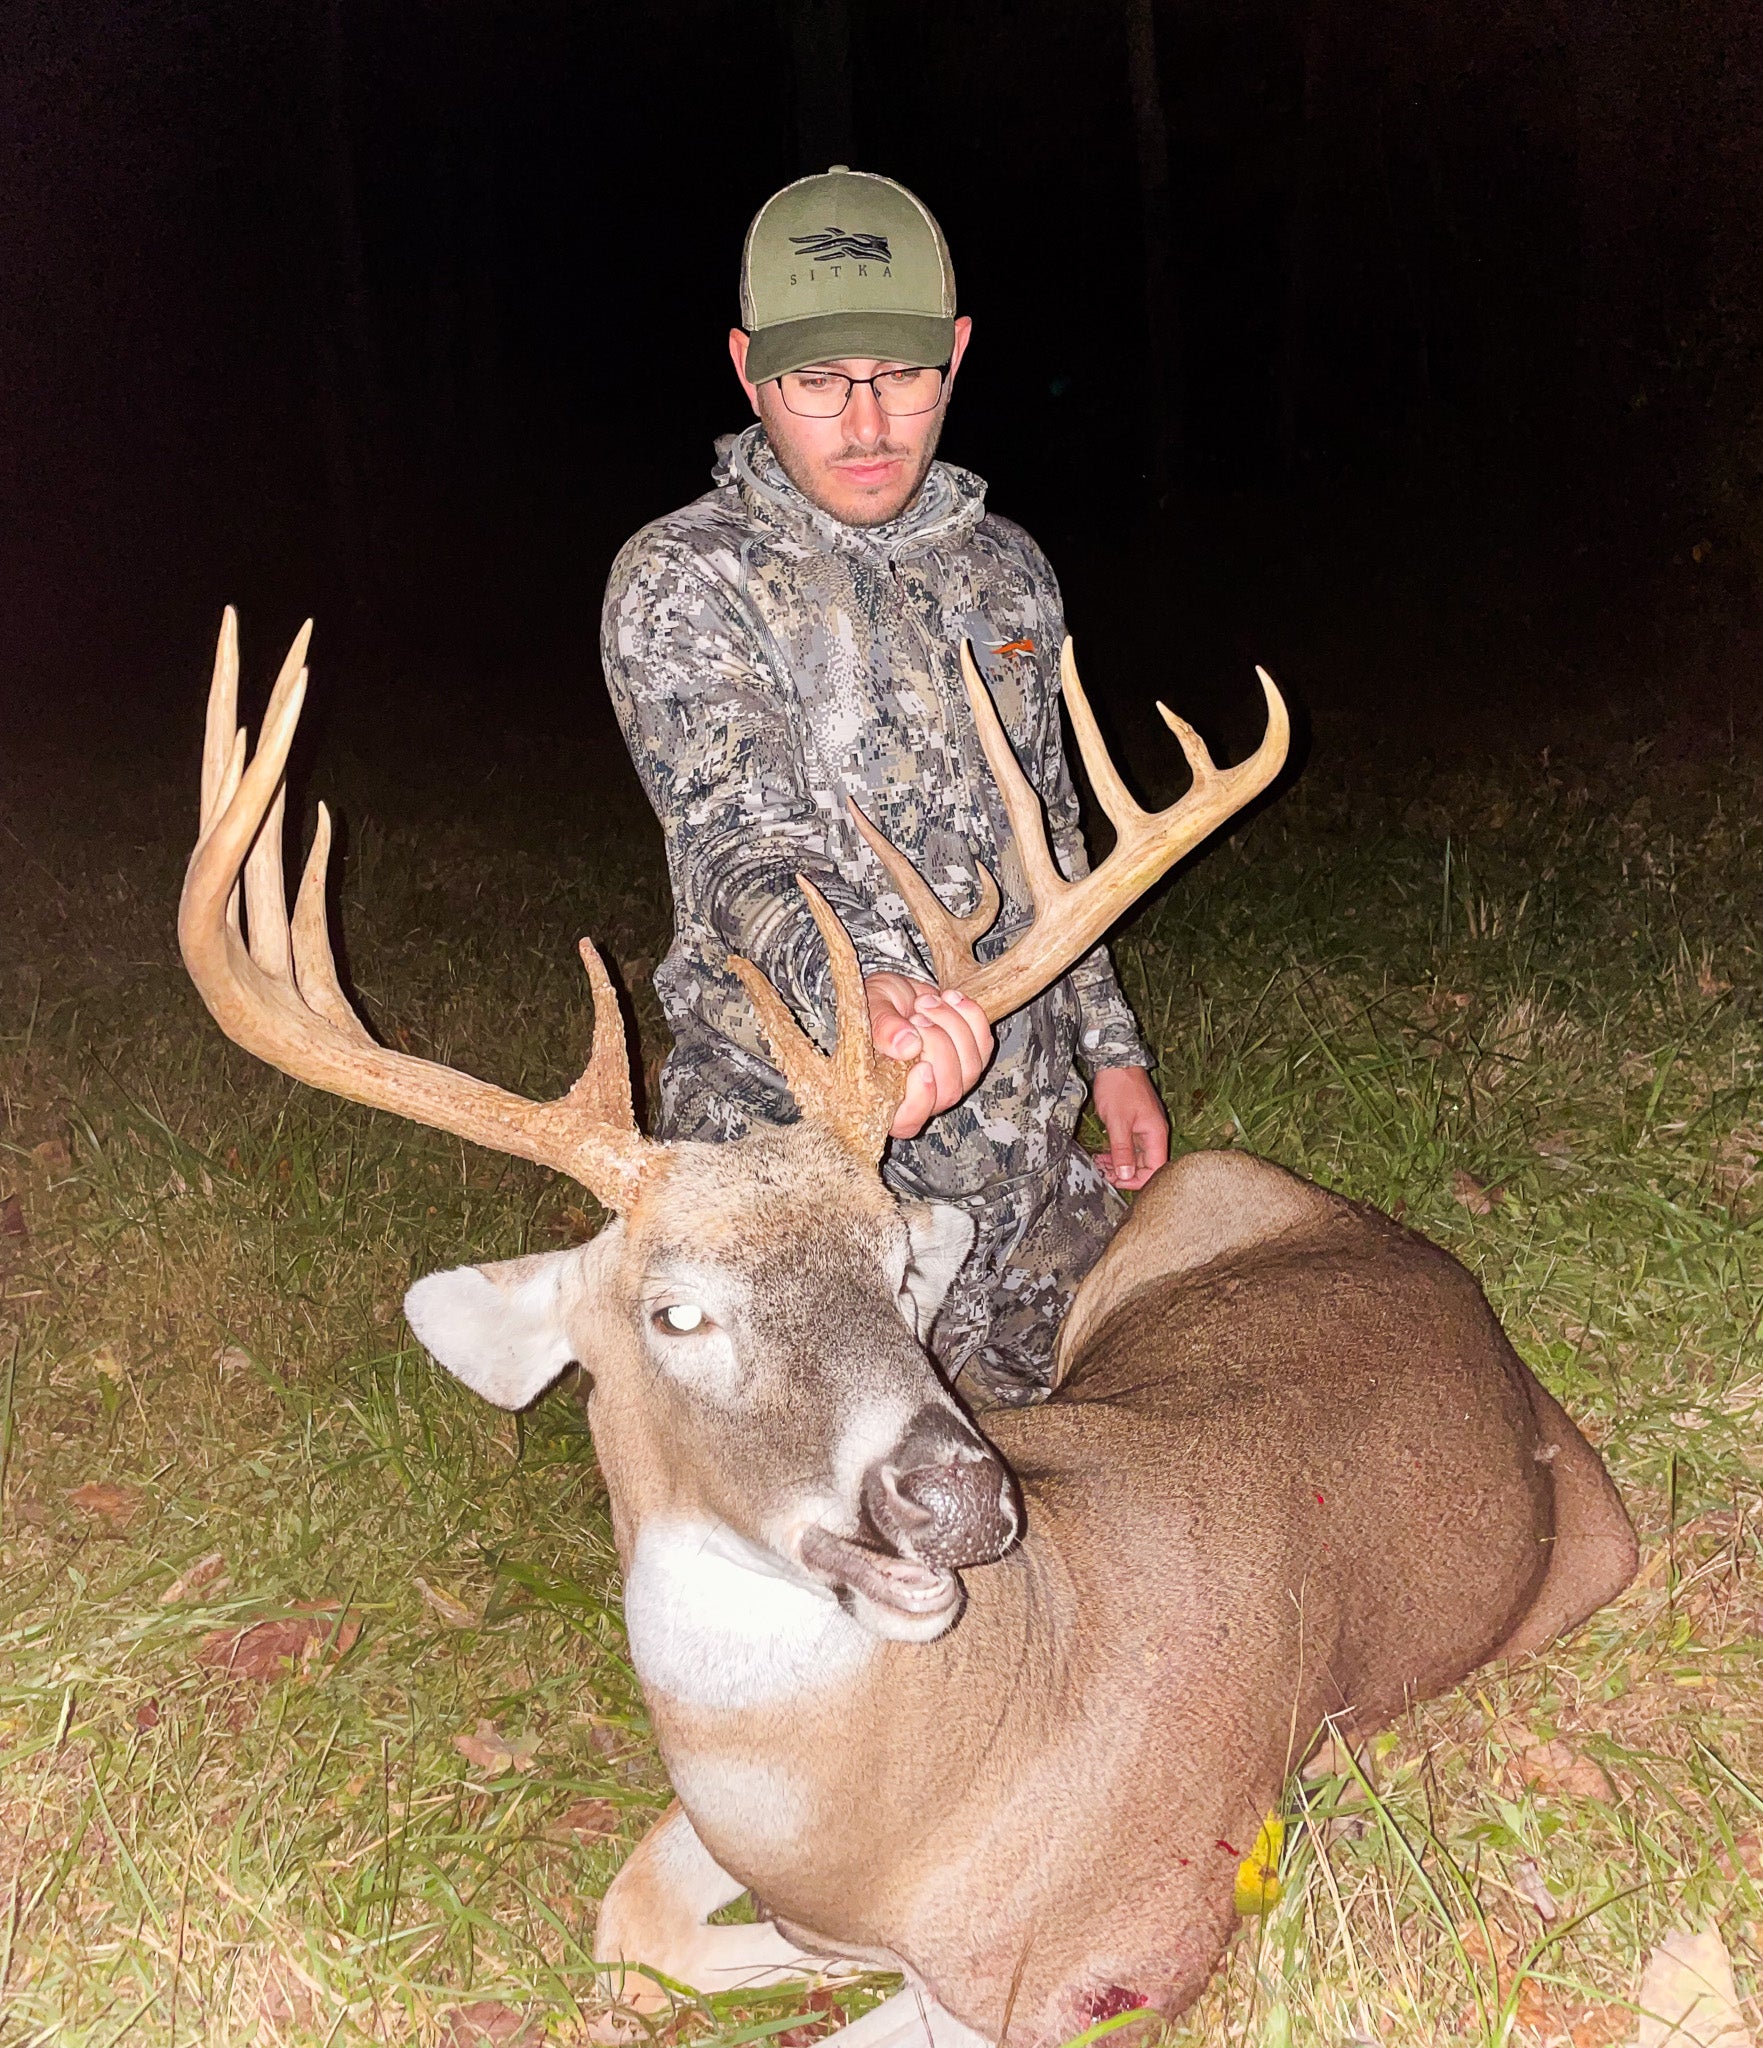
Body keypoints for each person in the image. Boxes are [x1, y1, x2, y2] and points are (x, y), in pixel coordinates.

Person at [600, 166, 1168, 1407]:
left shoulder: (1010, 574)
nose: (866, 425)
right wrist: (864, 1000)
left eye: (901, 377)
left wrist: (1110, 1049)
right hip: (806, 1163)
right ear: (749, 369)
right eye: (818, 383)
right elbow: (737, 846)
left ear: (955, 356)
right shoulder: (683, 580)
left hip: (1023, 1154)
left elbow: (1053, 839)